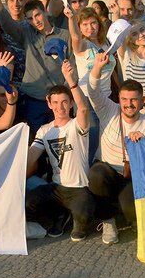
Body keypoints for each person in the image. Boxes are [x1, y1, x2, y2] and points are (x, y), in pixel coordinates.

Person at [82, 50, 145, 245]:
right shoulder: (108, 110)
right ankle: (108, 221)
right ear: (119, 99)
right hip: (108, 170)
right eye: (125, 100)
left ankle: (126, 216)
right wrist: (97, 68)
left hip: (131, 176)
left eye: (134, 100)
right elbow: (92, 91)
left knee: (131, 210)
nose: (129, 104)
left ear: (142, 100)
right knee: (96, 174)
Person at [25, 60, 95, 241]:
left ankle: (72, 217)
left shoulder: (77, 125)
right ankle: (59, 216)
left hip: (79, 188)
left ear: (71, 103)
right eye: (55, 102)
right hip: (56, 188)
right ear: (48, 104)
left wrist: (71, 81)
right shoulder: (44, 130)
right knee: (29, 202)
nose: (60, 107)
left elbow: (84, 108)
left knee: (80, 230)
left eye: (65, 102)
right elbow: (31, 156)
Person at [0, 0, 68, 138]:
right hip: (34, 100)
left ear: (45, 11)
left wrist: (67, 91)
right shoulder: (26, 34)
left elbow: (73, 66)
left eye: (37, 15)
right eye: (30, 19)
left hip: (59, 100)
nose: (36, 21)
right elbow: (8, 26)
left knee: (60, 140)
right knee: (35, 140)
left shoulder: (64, 35)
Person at [117, 24, 145, 101]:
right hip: (129, 103)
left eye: (142, 30)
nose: (141, 35)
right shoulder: (127, 53)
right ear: (130, 39)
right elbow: (119, 36)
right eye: (135, 34)